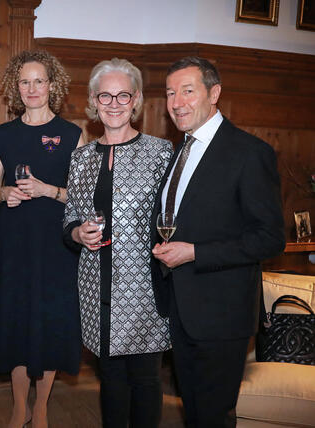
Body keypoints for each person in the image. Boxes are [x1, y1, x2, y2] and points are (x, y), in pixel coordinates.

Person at [152, 56, 285, 427]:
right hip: (182, 307)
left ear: (215, 94)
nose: (177, 101)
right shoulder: (178, 151)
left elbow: (270, 238)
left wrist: (195, 252)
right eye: (170, 93)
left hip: (223, 314)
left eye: (188, 91)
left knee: (212, 416)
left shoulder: (248, 153)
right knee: (194, 411)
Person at [63, 58, 173, 428]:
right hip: (97, 288)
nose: (113, 103)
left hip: (144, 290)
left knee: (145, 380)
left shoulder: (160, 154)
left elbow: (175, 218)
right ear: (93, 101)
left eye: (122, 95)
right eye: (104, 96)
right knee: (109, 380)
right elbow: (70, 217)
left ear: (136, 99)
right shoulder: (80, 158)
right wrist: (77, 232)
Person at [0, 50, 85, 428]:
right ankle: (18, 407)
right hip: (13, 246)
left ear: (52, 85)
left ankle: (41, 410)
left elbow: (84, 196)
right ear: (15, 88)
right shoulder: (2, 134)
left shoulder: (74, 133)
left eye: (39, 80)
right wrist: (4, 193)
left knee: (51, 324)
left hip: (57, 246)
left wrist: (47, 190)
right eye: (25, 81)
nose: (32, 88)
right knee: (17, 324)